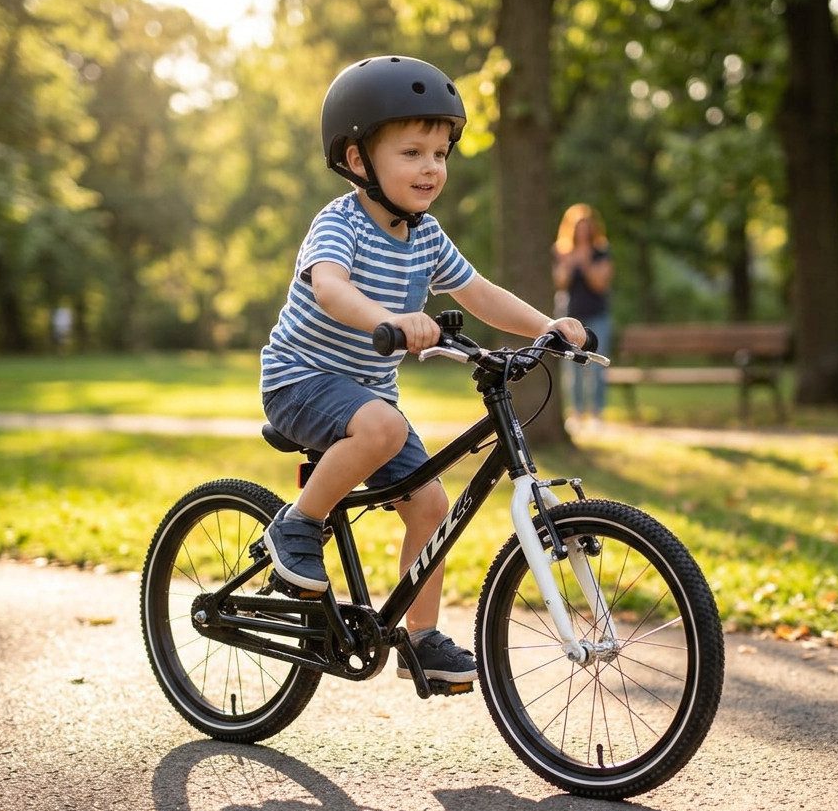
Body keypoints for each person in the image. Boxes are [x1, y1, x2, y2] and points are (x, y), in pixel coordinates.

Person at [260, 56, 587, 685]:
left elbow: (480, 293)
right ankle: (297, 525)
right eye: (412, 152)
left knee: (432, 502)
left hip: (367, 398)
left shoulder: (428, 236)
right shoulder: (339, 223)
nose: (431, 167)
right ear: (358, 161)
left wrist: (547, 325)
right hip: (299, 379)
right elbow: (329, 289)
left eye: (440, 153)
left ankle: (422, 638)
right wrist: (390, 317)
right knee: (382, 428)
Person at [551, 204, 613, 428]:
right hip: (570, 316)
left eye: (587, 228)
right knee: (573, 368)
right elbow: (560, 282)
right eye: (579, 228)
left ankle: (597, 413)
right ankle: (576, 413)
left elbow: (600, 283)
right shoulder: (561, 251)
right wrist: (569, 262)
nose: (583, 233)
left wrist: (585, 262)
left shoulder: (601, 251)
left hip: (597, 315)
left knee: (596, 366)